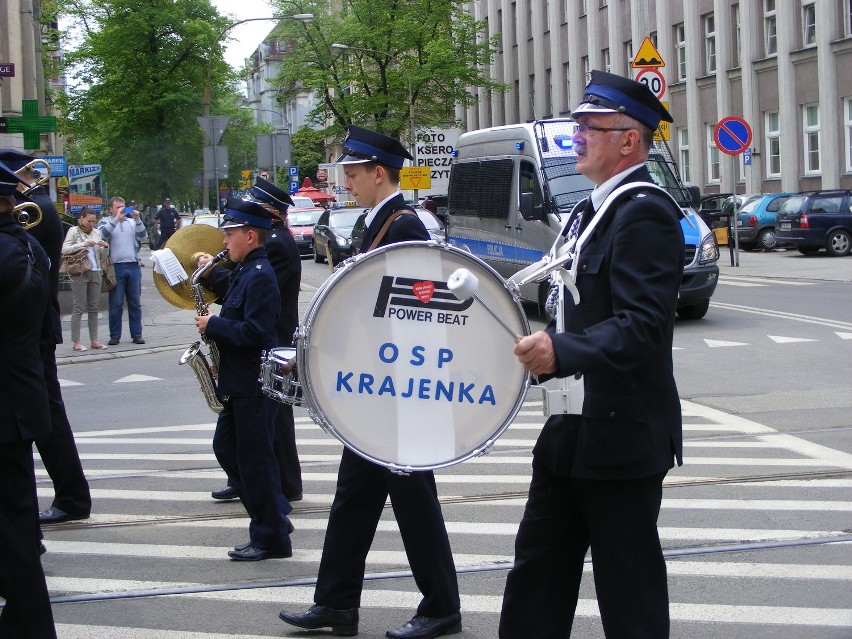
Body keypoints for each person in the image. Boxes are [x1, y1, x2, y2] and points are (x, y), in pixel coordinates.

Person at [498, 70, 685, 638]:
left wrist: (563, 350)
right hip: (570, 428)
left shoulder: (643, 212)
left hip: (621, 433)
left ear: (629, 139)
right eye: (575, 125)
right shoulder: (589, 212)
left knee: (628, 590)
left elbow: (643, 328)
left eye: (589, 127)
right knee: (536, 573)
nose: (575, 136)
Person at [279, 126, 461, 639]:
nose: (347, 184)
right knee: (354, 497)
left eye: (354, 175)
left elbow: (418, 310)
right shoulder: (376, 222)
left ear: (378, 173)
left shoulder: (404, 226)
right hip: (376, 388)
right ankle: (336, 602)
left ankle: (443, 605)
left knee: (413, 498)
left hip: (398, 389)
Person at [195, 198, 293, 561]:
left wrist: (214, 325)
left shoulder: (261, 275)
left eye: (230, 234)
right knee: (229, 450)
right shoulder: (244, 271)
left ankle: (271, 535)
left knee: (256, 461)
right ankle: (272, 517)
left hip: (252, 384)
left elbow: (255, 332)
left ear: (250, 236)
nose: (225, 242)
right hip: (239, 383)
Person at [0, 148, 92, 526]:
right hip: (34, 326)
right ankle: (71, 494)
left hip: (31, 328)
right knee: (44, 411)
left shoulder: (33, 211)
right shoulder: (35, 204)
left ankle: (72, 495)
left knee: (44, 414)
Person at [210, 176, 304, 503]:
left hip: (270, 341)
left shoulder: (275, 244)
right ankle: (259, 483)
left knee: (271, 426)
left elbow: (252, 295)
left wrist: (210, 274)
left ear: (268, 212)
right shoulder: (273, 241)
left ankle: (282, 487)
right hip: (265, 343)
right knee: (265, 427)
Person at [0, 163, 58, 638]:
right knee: (15, 523)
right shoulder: (30, 247)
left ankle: (31, 625)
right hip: (20, 398)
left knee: (14, 532)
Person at [99, 196, 147, 345]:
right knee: (116, 303)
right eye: (118, 207)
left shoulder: (131, 222)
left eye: (123, 207)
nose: (121, 210)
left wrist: (138, 219)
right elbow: (102, 235)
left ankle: (137, 334)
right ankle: (115, 335)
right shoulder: (106, 221)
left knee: (134, 303)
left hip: (133, 265)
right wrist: (116, 220)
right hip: (115, 267)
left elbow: (143, 236)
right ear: (111, 209)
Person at [63, 206, 109, 351]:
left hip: (95, 271)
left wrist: (105, 247)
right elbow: (64, 249)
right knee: (78, 307)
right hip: (80, 272)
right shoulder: (74, 231)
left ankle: (94, 340)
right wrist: (83, 244)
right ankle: (76, 341)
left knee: (94, 308)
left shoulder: (97, 232)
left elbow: (102, 255)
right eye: (89, 221)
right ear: (81, 218)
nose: (91, 224)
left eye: (94, 221)